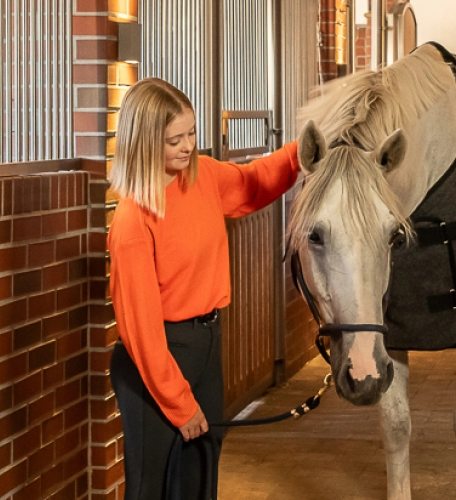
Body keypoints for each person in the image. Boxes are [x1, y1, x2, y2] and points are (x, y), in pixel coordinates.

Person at [106, 78, 300, 499]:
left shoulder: (203, 176)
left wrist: (302, 152)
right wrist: (180, 404)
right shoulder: (133, 220)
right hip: (156, 358)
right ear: (144, 142)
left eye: (191, 133)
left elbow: (253, 182)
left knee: (201, 474)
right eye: (174, 139)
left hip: (206, 341)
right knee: (151, 489)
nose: (188, 146)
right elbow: (141, 334)